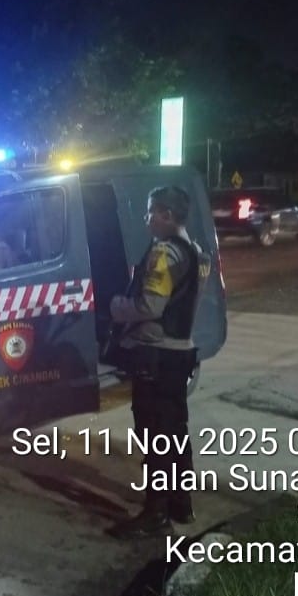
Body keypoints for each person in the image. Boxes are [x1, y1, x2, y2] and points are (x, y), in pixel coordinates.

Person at [109, 185, 209, 535]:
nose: (147, 218)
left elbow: (150, 305)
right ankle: (181, 505)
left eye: (151, 211)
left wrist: (116, 307)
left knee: (155, 436)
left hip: (157, 355)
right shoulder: (197, 252)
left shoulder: (164, 253)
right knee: (175, 433)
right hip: (180, 352)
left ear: (167, 215)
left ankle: (155, 514)